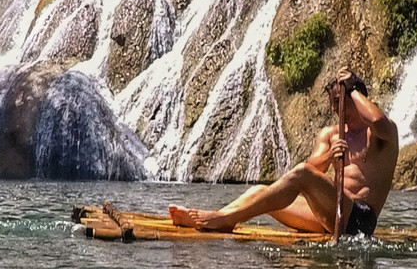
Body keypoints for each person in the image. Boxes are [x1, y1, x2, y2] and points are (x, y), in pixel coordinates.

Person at [169, 68, 398, 237]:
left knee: (299, 173)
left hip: (359, 219)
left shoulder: (379, 133)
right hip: (328, 216)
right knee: (259, 191)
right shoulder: (330, 134)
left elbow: (377, 118)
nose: (333, 109)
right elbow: (311, 171)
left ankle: (222, 219)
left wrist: (353, 90)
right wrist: (329, 157)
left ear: (356, 99)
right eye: (331, 103)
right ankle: (224, 218)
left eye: (338, 102)